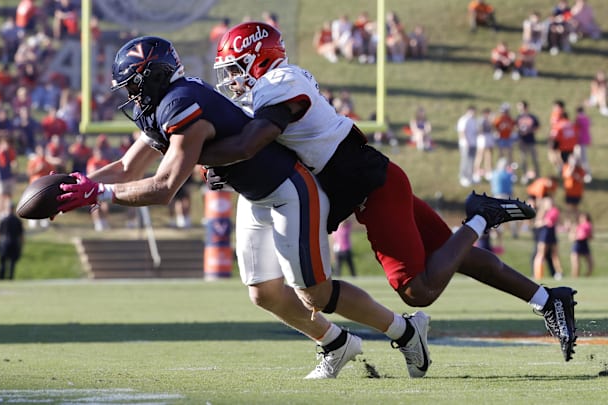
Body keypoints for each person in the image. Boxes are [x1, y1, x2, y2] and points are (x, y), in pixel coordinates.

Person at [55, 36, 432, 379]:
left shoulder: (180, 103)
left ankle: (405, 330)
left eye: (135, 85)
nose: (132, 96)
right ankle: (336, 344)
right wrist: (73, 186)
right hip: (255, 195)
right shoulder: (163, 105)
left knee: (314, 293)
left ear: (154, 76)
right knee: (264, 292)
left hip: (289, 189)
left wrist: (99, 194)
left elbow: (164, 186)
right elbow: (126, 168)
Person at [203, 22, 577, 362]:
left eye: (236, 69)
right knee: (454, 254)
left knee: (418, 291)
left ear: (259, 60)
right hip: (371, 183)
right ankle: (548, 299)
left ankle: (480, 215)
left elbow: (252, 144)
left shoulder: (279, 84)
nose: (232, 81)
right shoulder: (270, 91)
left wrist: (208, 156)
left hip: (373, 188)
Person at [533, 196, 564, 281]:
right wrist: (544, 222)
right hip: (544, 235)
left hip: (552, 234)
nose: (550, 204)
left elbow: (559, 222)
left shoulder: (555, 211)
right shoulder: (542, 212)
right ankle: (537, 274)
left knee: (555, 255)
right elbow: (537, 224)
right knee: (541, 254)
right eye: (548, 202)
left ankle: (559, 272)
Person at [0, 202, 23, 280]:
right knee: (10, 262)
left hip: (5, 243)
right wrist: (21, 245)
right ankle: (9, 278)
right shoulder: (17, 221)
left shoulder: (3, 220)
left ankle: (1, 278)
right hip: (12, 242)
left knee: (5, 262)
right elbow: (21, 235)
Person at [515, 100, 541, 184]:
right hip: (522, 141)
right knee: (523, 160)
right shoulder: (518, 117)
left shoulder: (531, 117)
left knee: (534, 159)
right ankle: (525, 175)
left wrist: (529, 131)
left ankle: (538, 176)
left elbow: (537, 126)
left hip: (531, 140)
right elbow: (515, 127)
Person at [456, 105, 478, 187]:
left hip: (473, 143)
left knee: (471, 160)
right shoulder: (464, 119)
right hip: (465, 144)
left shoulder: (473, 120)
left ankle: (469, 176)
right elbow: (462, 131)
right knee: (465, 160)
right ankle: (463, 176)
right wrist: (466, 142)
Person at [474, 107, 495, 183]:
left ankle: (488, 171)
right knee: (480, 155)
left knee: (489, 155)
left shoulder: (490, 120)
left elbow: (492, 129)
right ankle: (477, 172)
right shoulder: (481, 120)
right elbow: (480, 130)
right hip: (482, 138)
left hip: (489, 137)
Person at [570, 212, 593, 278]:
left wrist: (587, 234)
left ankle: (587, 276)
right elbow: (571, 237)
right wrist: (576, 236)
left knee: (590, 262)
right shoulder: (576, 225)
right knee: (576, 263)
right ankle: (575, 277)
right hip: (577, 243)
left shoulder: (589, 225)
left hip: (584, 243)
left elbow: (591, 237)